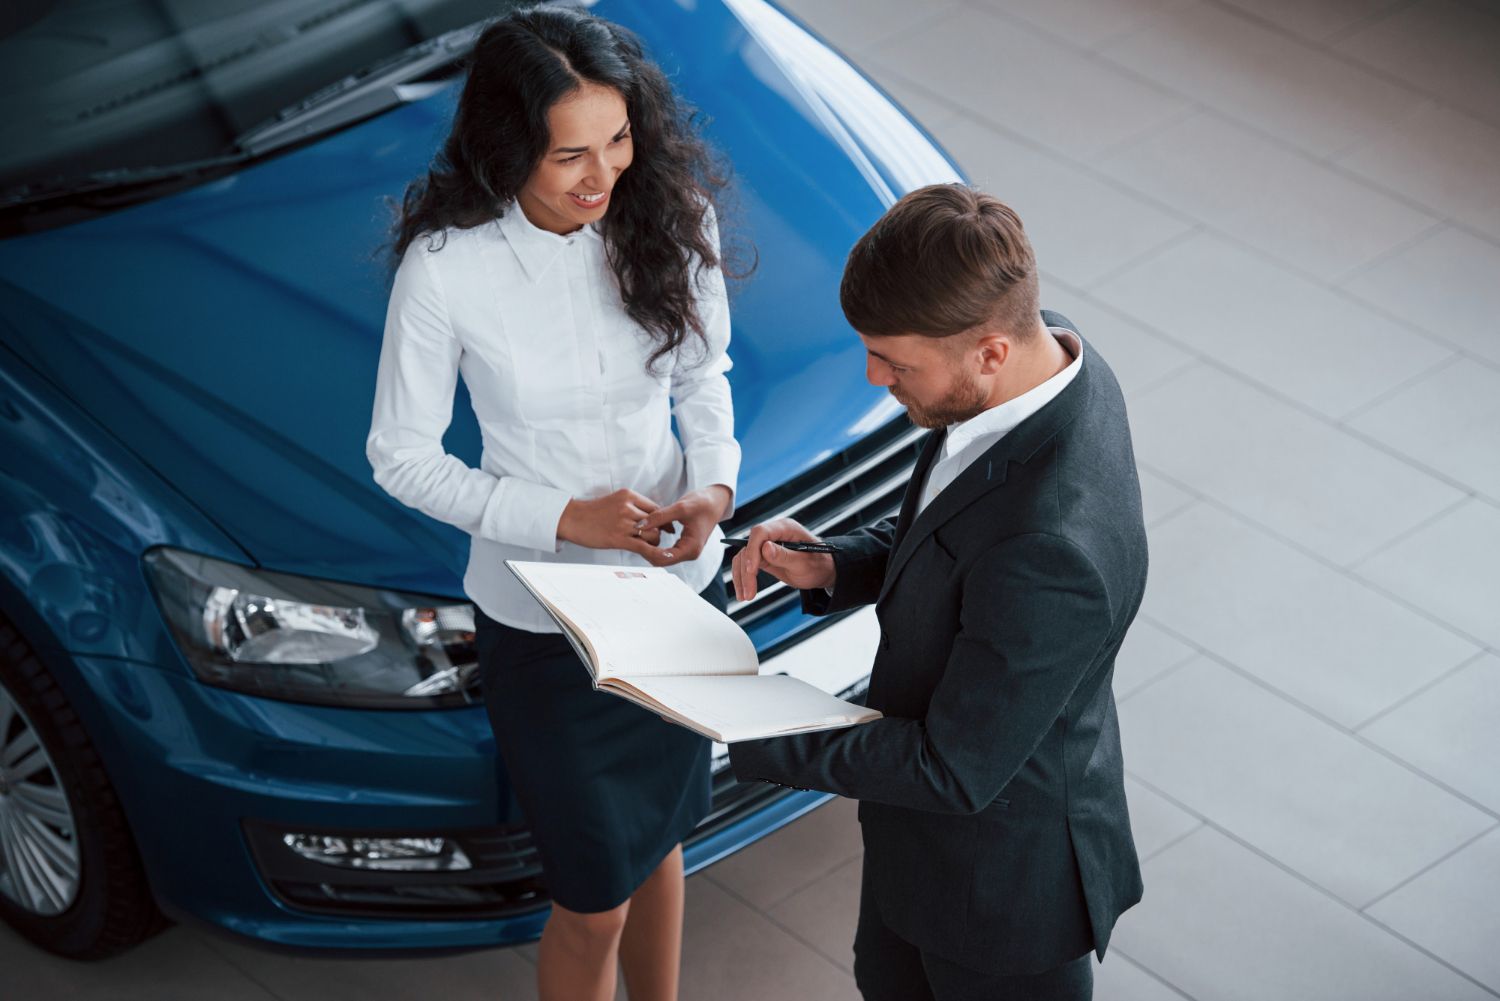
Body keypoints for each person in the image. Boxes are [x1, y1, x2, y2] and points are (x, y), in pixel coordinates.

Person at [365, 7, 745, 1000]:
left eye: (618, 140)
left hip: (671, 594)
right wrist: (561, 517)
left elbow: (706, 378)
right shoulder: (447, 270)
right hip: (540, 618)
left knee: (662, 836)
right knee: (592, 894)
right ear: (505, 147)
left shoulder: (670, 211)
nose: (602, 174)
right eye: (568, 152)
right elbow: (401, 457)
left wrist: (712, 485)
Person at [728, 183, 1147, 1001]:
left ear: (990, 350)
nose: (873, 375)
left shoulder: (1053, 546)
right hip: (920, 853)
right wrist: (835, 563)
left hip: (999, 902)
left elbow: (953, 767)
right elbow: (962, 532)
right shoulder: (1047, 359)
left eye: (895, 361)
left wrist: (746, 729)